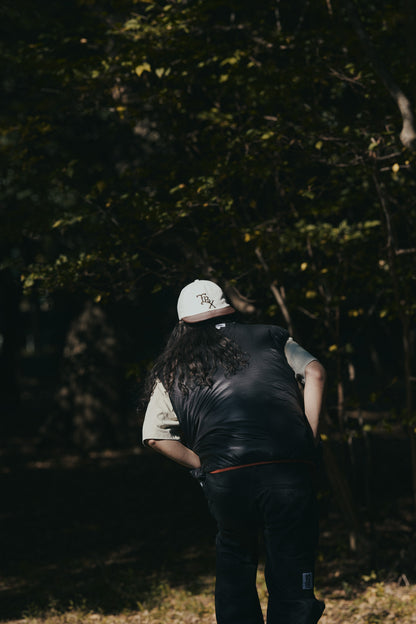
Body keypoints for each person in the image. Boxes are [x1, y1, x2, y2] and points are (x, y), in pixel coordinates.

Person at [142, 279, 326, 624]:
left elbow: (154, 436)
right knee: (290, 556)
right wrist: (309, 441)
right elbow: (314, 372)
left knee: (235, 552)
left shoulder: (172, 366)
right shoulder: (270, 336)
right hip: (288, 467)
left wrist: (203, 464)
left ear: (184, 323)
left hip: (226, 479)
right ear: (227, 310)